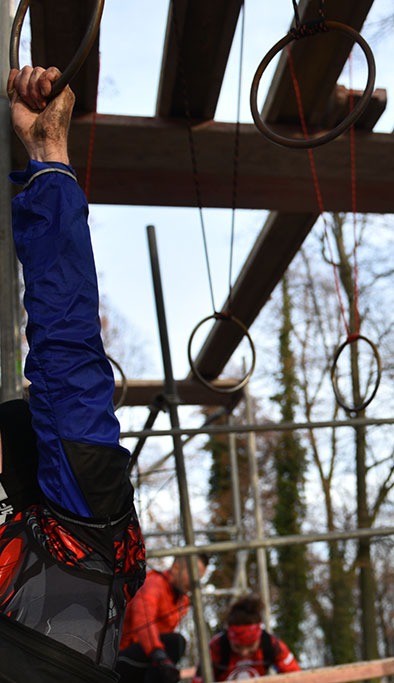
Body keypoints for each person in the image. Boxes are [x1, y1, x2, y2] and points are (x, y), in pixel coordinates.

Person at [0, 66, 146, 682]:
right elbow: (65, 348)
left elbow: (64, 362)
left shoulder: (73, 540)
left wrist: (49, 155)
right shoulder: (78, 538)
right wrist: (48, 158)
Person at [116, 554, 208, 682]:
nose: (194, 582)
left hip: (149, 657)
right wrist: (159, 654)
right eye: (193, 575)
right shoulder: (153, 584)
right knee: (176, 642)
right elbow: (143, 621)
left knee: (174, 648)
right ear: (176, 567)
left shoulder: (182, 600)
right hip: (122, 656)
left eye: (199, 578)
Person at [201, 595, 300, 680]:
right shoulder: (216, 647)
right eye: (237, 646)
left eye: (250, 645)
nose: (244, 652)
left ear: (259, 639)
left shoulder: (271, 644)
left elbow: (297, 677)